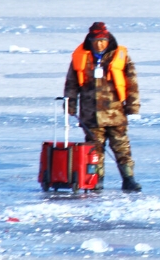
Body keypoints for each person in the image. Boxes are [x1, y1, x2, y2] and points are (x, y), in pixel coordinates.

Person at [64, 22, 142, 191]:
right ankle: (95, 181)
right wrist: (70, 106)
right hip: (90, 115)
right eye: (96, 40)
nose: (99, 44)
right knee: (94, 152)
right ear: (90, 40)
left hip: (115, 114)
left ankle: (128, 179)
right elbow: (71, 84)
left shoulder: (120, 56)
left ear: (108, 39)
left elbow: (131, 83)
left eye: (102, 40)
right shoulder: (81, 57)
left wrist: (133, 107)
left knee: (122, 148)